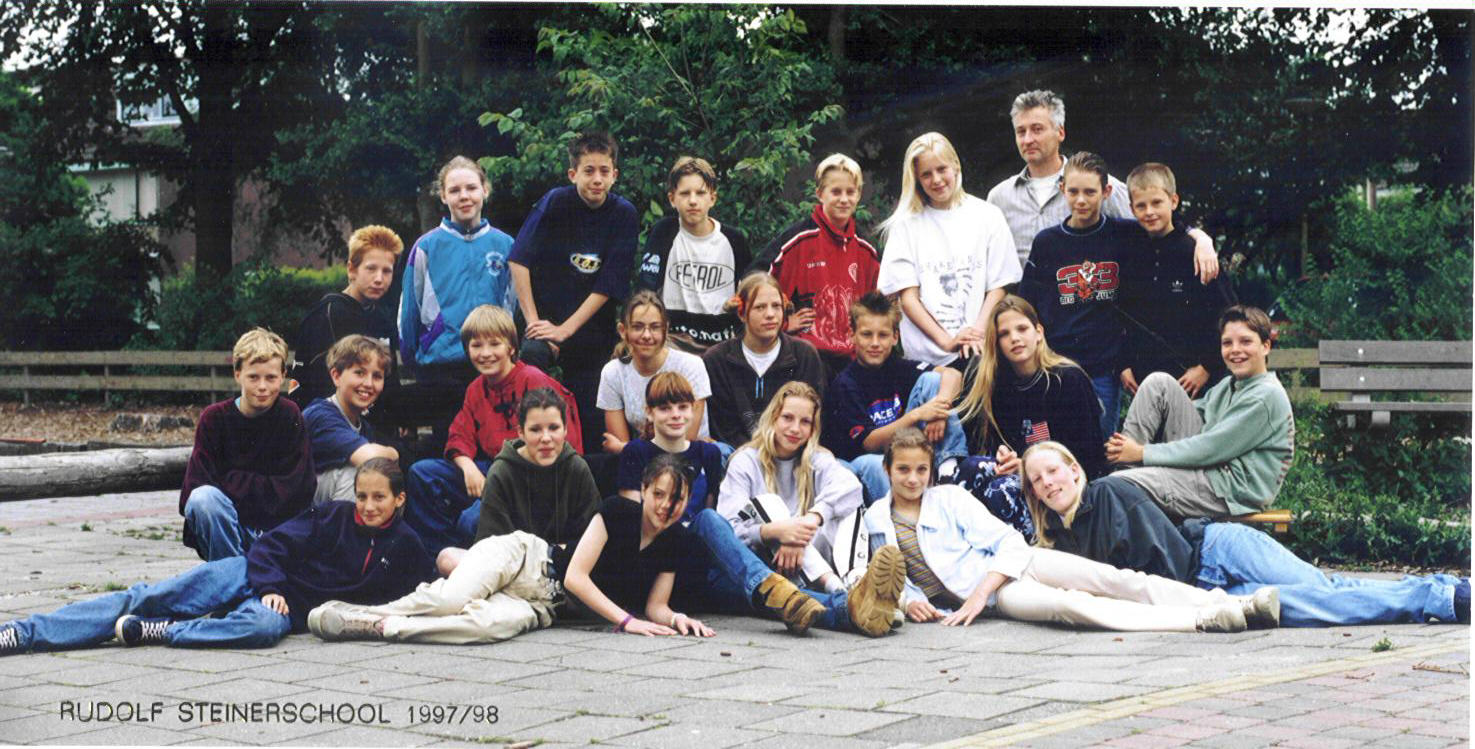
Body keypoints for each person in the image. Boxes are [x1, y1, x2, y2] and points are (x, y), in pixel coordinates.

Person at [0, 459, 432, 655]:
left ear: (400, 499)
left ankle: (166, 633)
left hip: (286, 612)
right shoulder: (334, 516)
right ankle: (25, 632)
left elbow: (412, 600)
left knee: (262, 629)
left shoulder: (407, 547)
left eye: (379, 498)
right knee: (146, 596)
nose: (368, 506)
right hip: (254, 576)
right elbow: (269, 546)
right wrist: (271, 586)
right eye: (361, 496)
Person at [1021, 440, 1470, 627]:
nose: (1049, 483)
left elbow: (1166, 561)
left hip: (1217, 552)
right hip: (1213, 596)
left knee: (1323, 589)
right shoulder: (1061, 542)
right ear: (1035, 495)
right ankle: (1443, 593)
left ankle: (1443, 597)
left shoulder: (1110, 493)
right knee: (1319, 604)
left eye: (1053, 471)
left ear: (1074, 469)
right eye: (1038, 481)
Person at [863, 430, 1276, 632]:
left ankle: (1230, 603)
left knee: (1115, 579)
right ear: (887, 471)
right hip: (1006, 595)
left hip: (1012, 569)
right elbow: (868, 572)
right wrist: (908, 598)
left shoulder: (949, 498)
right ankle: (1202, 620)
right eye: (903, 470)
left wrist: (979, 593)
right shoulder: (877, 520)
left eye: (922, 470)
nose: (914, 479)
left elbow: (1007, 541)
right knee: (1072, 607)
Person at [308, 456, 705, 642]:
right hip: (528, 561)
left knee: (488, 627)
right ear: (645, 489)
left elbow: (656, 606)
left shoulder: (674, 539)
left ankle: (380, 627)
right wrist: (625, 622)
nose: (666, 507)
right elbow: (575, 577)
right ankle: (353, 612)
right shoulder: (618, 511)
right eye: (659, 495)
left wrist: (676, 620)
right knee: (451, 599)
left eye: (678, 500)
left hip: (544, 607)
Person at [716, 381, 906, 636]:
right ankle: (843, 594)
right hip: (775, 566)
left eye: (805, 422)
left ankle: (857, 582)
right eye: (787, 418)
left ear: (813, 428)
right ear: (772, 418)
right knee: (769, 504)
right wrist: (776, 532)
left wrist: (809, 522)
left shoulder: (816, 458)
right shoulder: (745, 461)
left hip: (810, 554)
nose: (795, 428)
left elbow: (851, 487)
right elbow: (728, 529)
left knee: (849, 506)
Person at [403, 306, 582, 557]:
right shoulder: (476, 389)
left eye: (494, 344)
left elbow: (565, 446)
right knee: (422, 474)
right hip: (491, 468)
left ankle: (475, 564)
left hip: (533, 477)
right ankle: (439, 558)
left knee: (470, 522)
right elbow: (459, 434)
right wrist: (468, 468)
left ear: (511, 347)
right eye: (476, 346)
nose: (485, 354)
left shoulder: (533, 380)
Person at [984, 89, 1218, 278]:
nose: (1028, 139)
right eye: (1021, 131)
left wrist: (1198, 237)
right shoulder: (999, 198)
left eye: (1037, 129)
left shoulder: (1102, 186)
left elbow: (1153, 222)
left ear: (1060, 132)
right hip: (1025, 322)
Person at [510, 131, 639, 452]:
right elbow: (519, 260)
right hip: (543, 318)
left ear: (615, 175)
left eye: (604, 172)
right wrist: (534, 324)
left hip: (589, 326)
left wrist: (567, 330)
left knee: (592, 407)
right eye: (588, 171)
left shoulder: (623, 215)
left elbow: (609, 284)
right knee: (532, 362)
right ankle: (526, 458)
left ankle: (590, 484)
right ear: (573, 174)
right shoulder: (556, 202)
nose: (597, 179)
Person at [1106, 305, 1294, 521]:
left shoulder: (1265, 396)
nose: (1235, 350)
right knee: (1159, 383)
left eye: (1246, 341)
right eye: (1227, 343)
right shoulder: (1229, 385)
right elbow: (1194, 413)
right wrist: (1138, 446)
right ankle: (1123, 465)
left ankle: (1121, 481)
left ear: (1266, 346)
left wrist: (1143, 453)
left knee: (1121, 485)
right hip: (1210, 469)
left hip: (1229, 489)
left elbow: (1211, 447)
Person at [950, 295, 1104, 540]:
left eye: (1022, 328)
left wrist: (1027, 466)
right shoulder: (999, 385)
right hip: (1024, 481)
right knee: (971, 468)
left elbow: (1090, 457)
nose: (1014, 338)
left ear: (1039, 332)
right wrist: (1006, 457)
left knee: (1000, 490)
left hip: (1066, 488)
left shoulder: (1068, 380)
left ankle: (1033, 553)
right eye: (1004, 334)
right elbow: (1000, 447)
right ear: (997, 342)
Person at [878, 132, 1021, 371]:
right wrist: (947, 342)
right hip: (928, 359)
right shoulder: (905, 226)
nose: (936, 180)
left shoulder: (988, 215)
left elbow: (998, 287)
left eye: (941, 169)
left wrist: (976, 334)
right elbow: (908, 299)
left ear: (955, 167)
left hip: (980, 352)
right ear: (916, 179)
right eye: (926, 174)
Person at [400, 156, 516, 449]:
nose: (464, 196)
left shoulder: (506, 246)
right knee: (450, 451)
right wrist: (415, 358)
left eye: (471, 188)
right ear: (443, 196)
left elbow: (515, 306)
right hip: (442, 367)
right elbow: (409, 310)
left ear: (485, 190)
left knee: (494, 450)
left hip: (493, 366)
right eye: (455, 190)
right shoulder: (426, 247)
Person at [1018, 151, 1135, 437]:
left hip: (1103, 368)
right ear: (1062, 190)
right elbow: (1025, 303)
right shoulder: (1047, 242)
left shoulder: (1124, 234)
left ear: (1106, 192)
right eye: (1073, 191)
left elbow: (1167, 227)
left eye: (1090, 192)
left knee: (1099, 445)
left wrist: (1201, 238)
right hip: (1055, 364)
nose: (1081, 200)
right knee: (1051, 444)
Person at [180, 328, 316, 561]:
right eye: (253, 377)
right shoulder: (214, 419)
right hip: (227, 530)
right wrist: (263, 488)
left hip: (275, 531)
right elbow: (193, 490)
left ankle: (235, 578)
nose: (262, 386)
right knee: (204, 499)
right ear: (237, 374)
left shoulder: (289, 415)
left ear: (283, 375)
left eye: (271, 377)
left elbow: (298, 488)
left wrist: (232, 479)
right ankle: (233, 574)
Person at [822, 291, 966, 503]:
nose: (875, 343)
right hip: (862, 461)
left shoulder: (898, 366)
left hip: (904, 452)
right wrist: (917, 415)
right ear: (852, 335)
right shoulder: (846, 383)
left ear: (895, 337)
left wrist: (938, 411)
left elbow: (954, 375)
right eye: (866, 334)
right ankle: (896, 518)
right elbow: (870, 443)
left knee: (933, 382)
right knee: (875, 464)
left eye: (882, 335)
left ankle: (948, 471)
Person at [750, 153, 880, 381]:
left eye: (850, 192)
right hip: (807, 358)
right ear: (820, 194)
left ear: (859, 195)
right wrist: (783, 322)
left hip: (853, 358)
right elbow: (753, 283)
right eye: (835, 192)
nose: (843, 199)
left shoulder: (866, 250)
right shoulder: (798, 240)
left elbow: (879, 306)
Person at [1118, 162, 1237, 399]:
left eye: (1157, 203)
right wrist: (1123, 364)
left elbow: (1230, 315)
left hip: (1195, 383)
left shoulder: (1197, 254)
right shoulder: (1129, 254)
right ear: (1131, 209)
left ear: (1173, 201)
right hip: (1144, 380)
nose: (1149, 211)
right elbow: (1122, 317)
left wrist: (1207, 367)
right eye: (1141, 206)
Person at [635, 156, 750, 353]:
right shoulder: (664, 232)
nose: (693, 201)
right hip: (673, 339)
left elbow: (750, 292)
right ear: (672, 198)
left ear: (712, 198)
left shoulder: (733, 240)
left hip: (721, 341)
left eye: (700, 193)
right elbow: (645, 289)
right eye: (685, 193)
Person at [703, 272, 826, 449]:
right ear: (742, 313)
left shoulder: (804, 355)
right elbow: (723, 426)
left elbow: (812, 418)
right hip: (736, 456)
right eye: (760, 307)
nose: (770, 314)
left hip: (791, 452)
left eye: (776, 306)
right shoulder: (716, 360)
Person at [292, 225, 403, 422]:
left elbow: (390, 380)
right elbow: (314, 388)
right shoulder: (328, 315)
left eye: (387, 271)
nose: (379, 279)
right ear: (351, 269)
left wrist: (401, 420)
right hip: (329, 427)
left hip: (376, 426)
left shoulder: (383, 319)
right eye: (371, 269)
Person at [597, 290, 713, 455]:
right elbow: (620, 449)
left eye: (654, 327)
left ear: (665, 330)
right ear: (623, 331)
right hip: (640, 467)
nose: (646, 335)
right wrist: (627, 450)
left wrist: (628, 449)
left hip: (690, 460)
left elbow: (686, 443)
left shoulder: (691, 366)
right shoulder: (613, 373)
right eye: (637, 327)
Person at [616, 372, 725, 524]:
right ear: (649, 413)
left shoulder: (709, 453)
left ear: (692, 409)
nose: (675, 415)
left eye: (682, 407)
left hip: (697, 539)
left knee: (708, 517)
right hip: (653, 535)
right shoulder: (636, 452)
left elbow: (711, 513)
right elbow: (631, 514)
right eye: (665, 408)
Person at [303, 335, 400, 504]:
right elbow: (367, 457)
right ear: (336, 376)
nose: (369, 383)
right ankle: (344, 530)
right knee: (357, 475)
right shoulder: (321, 415)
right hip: (297, 509)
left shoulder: (364, 427)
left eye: (377, 376)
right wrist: (394, 453)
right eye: (359, 373)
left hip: (325, 503)